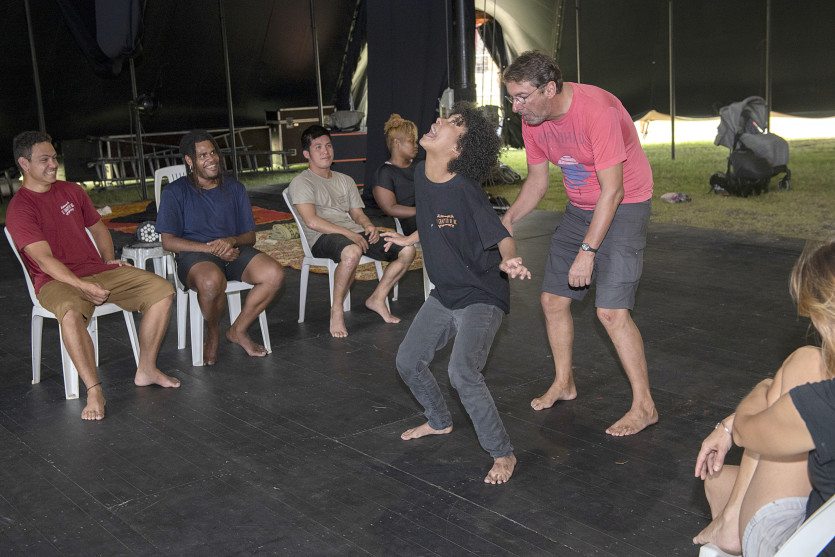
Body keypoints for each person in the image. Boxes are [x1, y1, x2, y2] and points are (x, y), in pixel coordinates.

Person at [500, 50, 657, 436]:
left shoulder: (596, 111)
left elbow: (613, 191)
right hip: (581, 206)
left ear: (549, 89)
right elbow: (538, 182)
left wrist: (587, 253)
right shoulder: (534, 120)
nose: (516, 107)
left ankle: (645, 406)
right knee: (552, 301)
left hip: (624, 204)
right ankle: (564, 382)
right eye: (511, 98)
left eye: (522, 97)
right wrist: (508, 219)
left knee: (610, 312)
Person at [381, 103, 530, 485]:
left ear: (458, 149)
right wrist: (409, 238)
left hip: (481, 294)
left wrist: (509, 260)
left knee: (462, 372)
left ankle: (503, 453)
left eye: (452, 123)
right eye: (445, 117)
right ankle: (439, 420)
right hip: (446, 293)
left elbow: (501, 235)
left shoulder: (465, 191)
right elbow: (433, 220)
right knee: (408, 361)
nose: (439, 120)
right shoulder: (421, 173)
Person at [6, 131, 180, 420]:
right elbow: (44, 260)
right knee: (71, 314)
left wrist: (108, 260)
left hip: (96, 270)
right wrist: (80, 285)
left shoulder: (72, 191)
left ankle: (147, 368)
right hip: (54, 281)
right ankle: (94, 390)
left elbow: (98, 228)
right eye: (44, 159)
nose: (53, 164)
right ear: (24, 164)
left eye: (54, 158)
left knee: (161, 290)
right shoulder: (20, 208)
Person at [693, 239, 835, 556]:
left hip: (806, 547)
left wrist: (765, 388)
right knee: (717, 481)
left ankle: (731, 523)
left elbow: (747, 431)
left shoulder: (826, 402)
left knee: (804, 361)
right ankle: (730, 517)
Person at [155, 130, 285, 365]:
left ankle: (238, 330)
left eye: (213, 152)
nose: (211, 159)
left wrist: (231, 241)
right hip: (196, 256)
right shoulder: (174, 192)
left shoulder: (235, 188)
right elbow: (168, 242)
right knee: (210, 282)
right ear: (189, 160)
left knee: (274, 274)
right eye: (203, 155)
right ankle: (213, 333)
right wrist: (213, 249)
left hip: (233, 251)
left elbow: (250, 236)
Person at [286, 124, 415, 338]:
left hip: (352, 233)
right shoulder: (301, 182)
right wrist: (349, 234)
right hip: (322, 237)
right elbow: (312, 222)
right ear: (307, 154)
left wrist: (367, 225)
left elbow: (357, 214)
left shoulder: (345, 180)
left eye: (328, 145)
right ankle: (336, 310)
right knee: (352, 251)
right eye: (318, 147)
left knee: (407, 250)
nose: (325, 151)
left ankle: (377, 298)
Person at [362, 114, 419, 235]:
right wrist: (423, 211)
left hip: (423, 218)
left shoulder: (420, 166)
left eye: (415, 141)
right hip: (403, 224)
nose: (416, 145)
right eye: (411, 141)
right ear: (397, 143)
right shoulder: (384, 173)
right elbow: (390, 208)